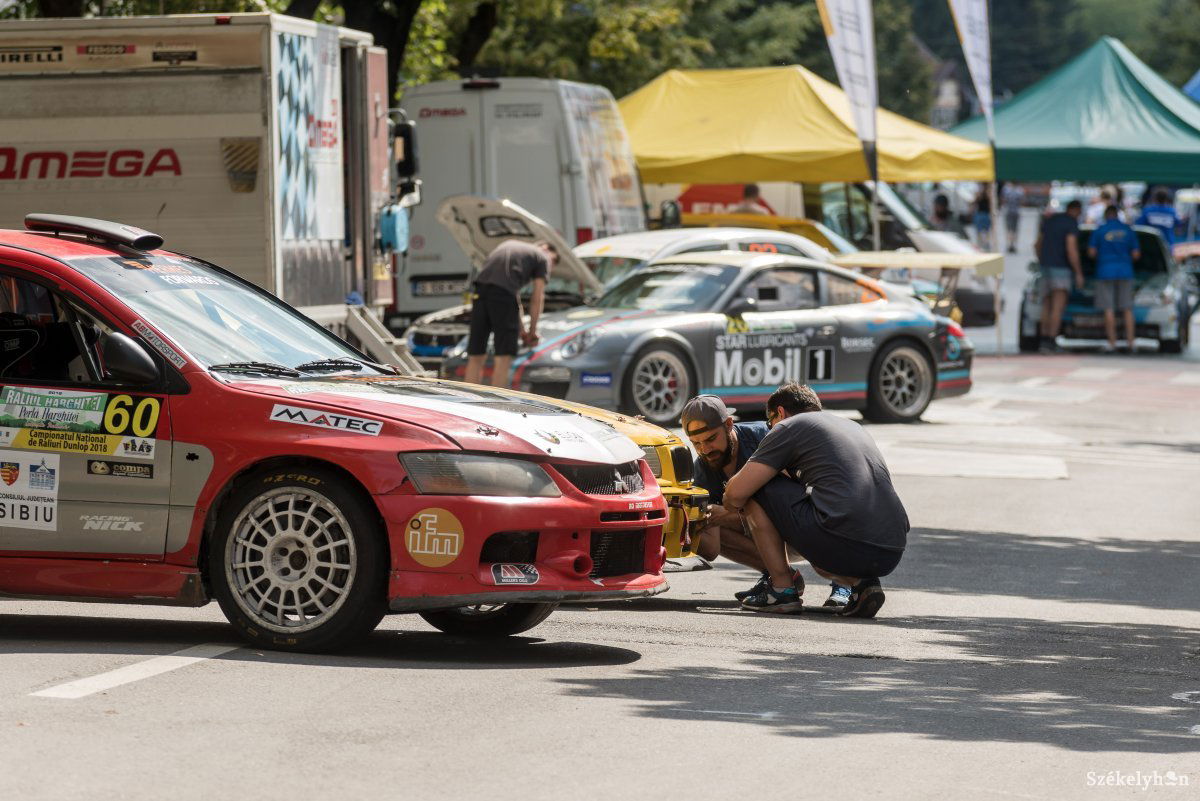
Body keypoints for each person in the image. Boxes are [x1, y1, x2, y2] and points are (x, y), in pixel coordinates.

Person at [719, 383, 908, 617]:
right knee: (820, 520)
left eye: (770, 424)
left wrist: (731, 506)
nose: (770, 430)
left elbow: (736, 494)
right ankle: (862, 585)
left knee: (756, 487)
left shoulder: (788, 426)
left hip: (843, 539)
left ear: (779, 413)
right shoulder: (851, 426)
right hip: (891, 550)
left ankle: (781, 590)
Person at [683, 394, 852, 610]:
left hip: (804, 519)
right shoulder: (704, 469)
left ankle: (845, 582)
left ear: (728, 424)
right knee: (711, 518)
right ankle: (781, 578)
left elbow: (818, 491)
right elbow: (711, 549)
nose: (705, 450)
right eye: (696, 443)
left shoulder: (767, 437)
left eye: (710, 439)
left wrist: (727, 512)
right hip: (766, 532)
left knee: (757, 497)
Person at [463, 239, 558, 387]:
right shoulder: (543, 256)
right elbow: (537, 297)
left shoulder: (511, 245)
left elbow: (514, 299)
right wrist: (532, 332)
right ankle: (497, 404)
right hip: (502, 295)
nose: (551, 267)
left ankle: (468, 400)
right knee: (503, 356)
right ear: (547, 250)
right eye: (554, 261)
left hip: (480, 292)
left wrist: (522, 330)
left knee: (476, 354)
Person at [1088, 205, 1141, 353]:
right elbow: (1136, 254)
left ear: (1105, 215)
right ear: (1117, 215)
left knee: (1108, 308)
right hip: (1125, 271)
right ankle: (1131, 343)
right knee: (1127, 308)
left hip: (1105, 271)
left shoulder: (1099, 230)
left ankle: (1112, 343)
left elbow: (1091, 252)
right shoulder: (1128, 230)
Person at [1034, 199, 1084, 352]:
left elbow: (1037, 245)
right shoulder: (1071, 223)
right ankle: (1051, 340)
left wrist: (1042, 260)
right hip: (1061, 269)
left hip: (1045, 268)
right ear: (1076, 210)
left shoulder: (1050, 221)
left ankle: (1043, 340)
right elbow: (1071, 249)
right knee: (1058, 306)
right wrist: (1078, 272)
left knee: (1046, 305)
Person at [1002, 182, 1025, 253]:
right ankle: (1014, 245)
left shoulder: (1006, 189)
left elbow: (1003, 200)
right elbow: (1022, 201)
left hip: (1008, 211)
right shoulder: (1020, 190)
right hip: (1016, 211)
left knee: (1009, 229)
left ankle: (1009, 244)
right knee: (1015, 230)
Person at [971, 184, 993, 249]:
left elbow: (974, 203)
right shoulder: (988, 193)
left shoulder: (979, 194)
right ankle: (985, 243)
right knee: (986, 231)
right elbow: (991, 205)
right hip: (985, 214)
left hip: (980, 214)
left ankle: (980, 244)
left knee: (979, 231)